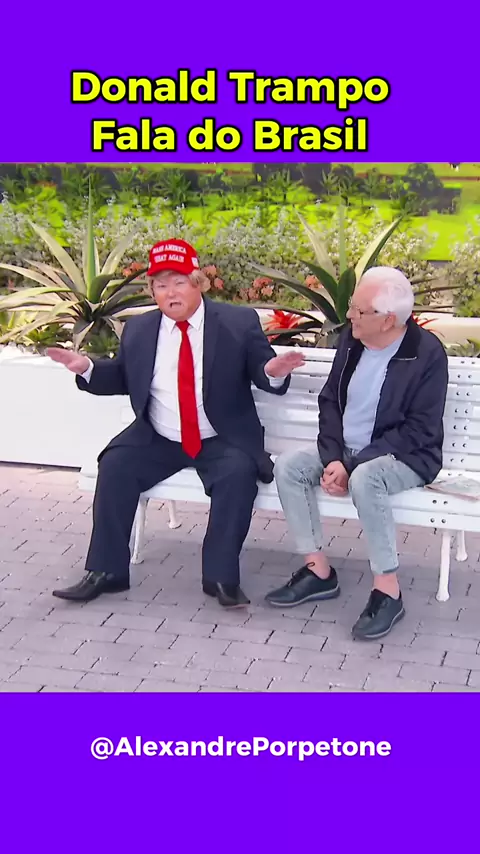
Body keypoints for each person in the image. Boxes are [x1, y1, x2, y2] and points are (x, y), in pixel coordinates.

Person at [47, 238, 305, 608]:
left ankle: (220, 577)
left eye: (179, 282)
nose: (170, 293)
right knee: (115, 465)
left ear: (198, 283)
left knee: (237, 477)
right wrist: (87, 368)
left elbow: (264, 373)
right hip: (159, 435)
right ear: (152, 291)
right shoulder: (139, 329)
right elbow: (122, 376)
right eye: (160, 285)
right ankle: (106, 571)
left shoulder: (236, 322)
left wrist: (274, 371)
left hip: (220, 436)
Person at [266, 266, 449, 640]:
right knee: (288, 466)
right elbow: (330, 401)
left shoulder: (426, 354)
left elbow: (419, 429)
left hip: (406, 456)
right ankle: (318, 571)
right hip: (346, 451)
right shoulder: (352, 341)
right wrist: (334, 457)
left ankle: (388, 591)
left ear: (389, 319)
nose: (349, 315)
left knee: (366, 479)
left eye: (358, 310)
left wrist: (351, 465)